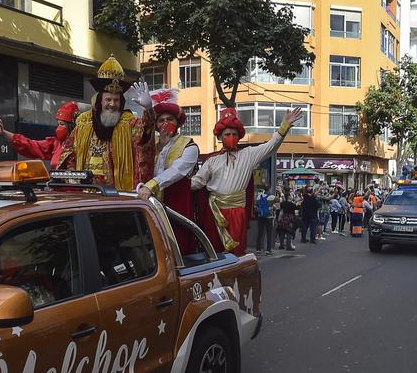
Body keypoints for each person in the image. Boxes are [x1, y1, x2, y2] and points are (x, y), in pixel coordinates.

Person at [191, 107, 301, 255]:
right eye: (227, 134)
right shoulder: (211, 160)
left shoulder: (248, 155)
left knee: (236, 252)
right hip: (214, 211)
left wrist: (284, 127)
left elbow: (270, 146)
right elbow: (197, 182)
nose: (231, 137)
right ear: (220, 137)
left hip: (237, 212)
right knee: (214, 251)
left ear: (239, 136)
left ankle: (235, 278)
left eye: (234, 134)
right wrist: (178, 184)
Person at [67, 56, 155, 191]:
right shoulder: (84, 123)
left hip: (115, 195)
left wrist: (148, 109)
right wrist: (72, 178)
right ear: (100, 100)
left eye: (116, 100)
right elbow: (69, 153)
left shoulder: (129, 123)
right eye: (108, 99)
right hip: (85, 194)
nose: (112, 104)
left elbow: (145, 134)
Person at [137, 90, 199, 253]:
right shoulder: (149, 145)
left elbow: (177, 170)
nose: (165, 123)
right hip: (150, 204)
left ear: (178, 123)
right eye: (161, 120)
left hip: (175, 205)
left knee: (176, 245)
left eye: (169, 119)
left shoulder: (189, 146)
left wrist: (151, 185)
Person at [0, 101, 80, 169]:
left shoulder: (82, 145)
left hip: (76, 189)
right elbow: (30, 145)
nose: (59, 128)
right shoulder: (55, 144)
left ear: (72, 126)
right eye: (58, 124)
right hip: (56, 188)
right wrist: (4, 133)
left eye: (62, 124)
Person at [254, 188, 275, 256]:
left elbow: (256, 206)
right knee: (269, 234)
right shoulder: (272, 197)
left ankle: (258, 250)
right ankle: (268, 251)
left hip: (260, 217)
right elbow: (277, 206)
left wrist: (260, 211)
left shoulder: (259, 197)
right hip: (269, 217)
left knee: (260, 233)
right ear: (269, 189)